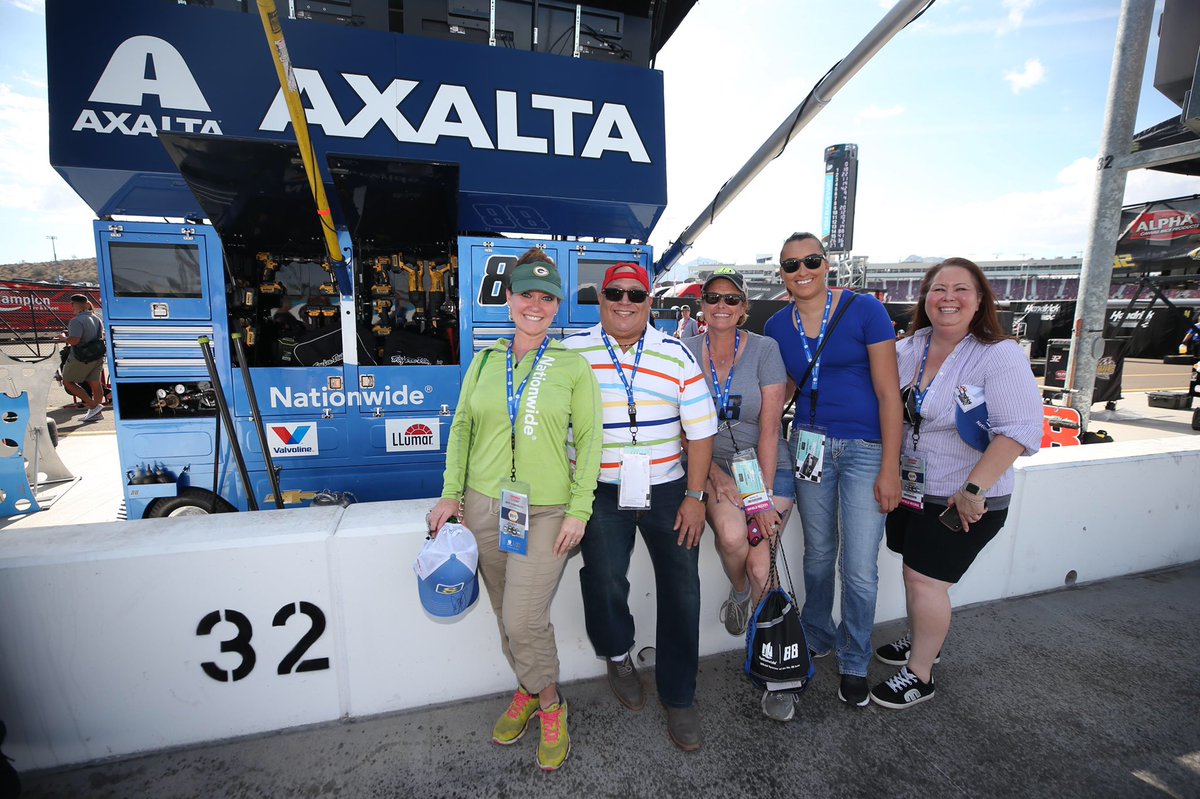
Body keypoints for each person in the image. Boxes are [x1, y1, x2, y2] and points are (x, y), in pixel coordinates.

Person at [427, 249, 602, 772]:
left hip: (546, 509)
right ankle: (527, 689)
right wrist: (451, 493)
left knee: (523, 620)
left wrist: (579, 510)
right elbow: (462, 427)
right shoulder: (484, 361)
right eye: (527, 294)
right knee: (506, 615)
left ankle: (549, 704)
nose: (536, 305)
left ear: (557, 307)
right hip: (484, 507)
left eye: (547, 297)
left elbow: (591, 440)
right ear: (509, 299)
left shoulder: (572, 365)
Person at [870, 258, 1043, 710]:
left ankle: (920, 674)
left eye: (960, 289)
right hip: (913, 488)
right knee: (916, 573)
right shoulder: (909, 348)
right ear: (925, 298)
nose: (948, 298)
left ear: (980, 299)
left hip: (963, 495)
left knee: (925, 580)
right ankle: (924, 639)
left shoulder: (998, 354)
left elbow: (1020, 430)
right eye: (938, 289)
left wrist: (973, 489)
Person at [561, 262, 717, 752]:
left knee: (682, 590)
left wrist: (695, 497)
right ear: (601, 299)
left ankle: (679, 695)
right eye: (615, 293)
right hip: (599, 490)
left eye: (635, 294)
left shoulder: (676, 353)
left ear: (650, 301)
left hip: (668, 489)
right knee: (604, 580)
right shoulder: (571, 351)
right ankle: (617, 654)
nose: (624, 302)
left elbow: (701, 431)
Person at [763, 232, 903, 713]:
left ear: (827, 265)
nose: (801, 270)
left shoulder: (865, 310)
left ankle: (855, 658)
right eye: (791, 264)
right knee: (819, 553)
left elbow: (889, 393)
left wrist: (890, 466)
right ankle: (818, 633)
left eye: (811, 260)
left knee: (859, 566)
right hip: (808, 444)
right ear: (781, 274)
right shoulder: (777, 324)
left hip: (865, 448)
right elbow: (781, 389)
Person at [681, 267, 796, 719]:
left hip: (766, 466)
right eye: (713, 298)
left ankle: (777, 675)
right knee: (732, 538)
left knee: (761, 560)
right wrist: (713, 475)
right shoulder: (686, 350)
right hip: (711, 466)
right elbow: (681, 428)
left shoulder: (765, 350)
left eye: (731, 299)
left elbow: (769, 429)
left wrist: (760, 497)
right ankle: (740, 591)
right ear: (702, 305)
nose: (722, 306)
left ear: (744, 308)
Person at [61, 294, 106, 422]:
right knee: (95, 382)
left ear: (73, 304)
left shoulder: (76, 321)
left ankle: (93, 406)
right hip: (97, 355)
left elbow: (75, 340)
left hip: (81, 357)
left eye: (71, 304)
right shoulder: (96, 318)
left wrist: (63, 338)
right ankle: (96, 412)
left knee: (68, 382)